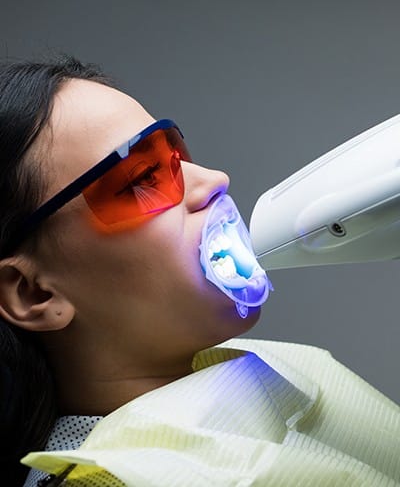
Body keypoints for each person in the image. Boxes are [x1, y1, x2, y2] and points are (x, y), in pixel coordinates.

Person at [0, 56, 399, 487]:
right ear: (34, 293)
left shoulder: (265, 374)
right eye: (142, 178)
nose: (214, 180)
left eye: (177, 154)